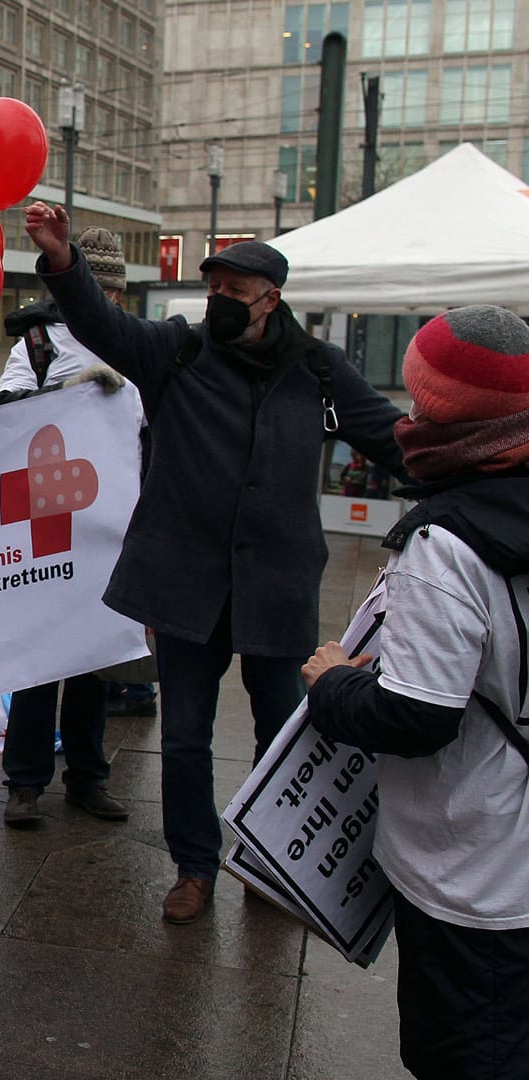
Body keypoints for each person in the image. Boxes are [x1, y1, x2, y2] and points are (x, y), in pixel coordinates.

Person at [24, 202, 408, 926]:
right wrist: (62, 259)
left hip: (277, 587)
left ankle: (269, 864)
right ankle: (194, 868)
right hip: (186, 585)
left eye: (235, 293)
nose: (220, 303)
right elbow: (102, 325)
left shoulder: (319, 370)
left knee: (281, 730)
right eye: (214, 290)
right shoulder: (178, 353)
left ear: (272, 299)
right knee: (185, 737)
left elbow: (394, 441)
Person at [302, 306, 529, 1079]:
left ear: (433, 408)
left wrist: (332, 683)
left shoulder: (448, 544)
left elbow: (415, 715)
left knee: (461, 1055)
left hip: (473, 876)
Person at [0, 227, 134, 827]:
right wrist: (65, 396)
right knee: (38, 658)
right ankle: (24, 783)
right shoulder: (37, 343)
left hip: (106, 527)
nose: (106, 302)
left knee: (92, 663)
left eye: (112, 293)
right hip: (46, 522)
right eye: (97, 289)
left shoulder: (134, 343)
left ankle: (88, 777)